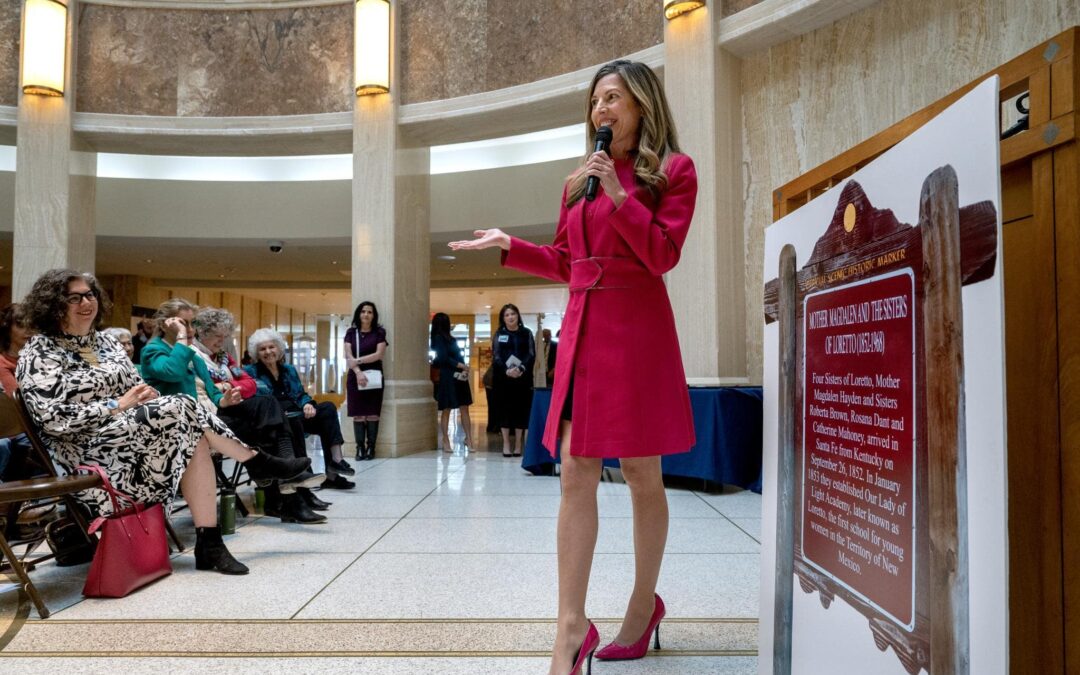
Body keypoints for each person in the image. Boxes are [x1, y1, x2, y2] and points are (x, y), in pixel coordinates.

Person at [450, 60, 698, 675]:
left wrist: (619, 196)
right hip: (585, 330)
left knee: (643, 473)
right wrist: (510, 245)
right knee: (574, 473)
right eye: (594, 102)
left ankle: (644, 607)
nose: (600, 111)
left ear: (642, 105)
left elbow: (663, 254)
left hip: (638, 330)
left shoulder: (672, 172)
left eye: (612, 98)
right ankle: (571, 627)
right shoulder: (575, 183)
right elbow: (566, 262)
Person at [16, 269, 312, 575]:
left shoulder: (105, 344)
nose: (85, 302)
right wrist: (117, 404)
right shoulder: (40, 351)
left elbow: (137, 386)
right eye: (73, 298)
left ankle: (210, 542)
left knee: (190, 431)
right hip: (85, 452)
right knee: (183, 407)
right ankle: (255, 461)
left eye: (89, 295)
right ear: (53, 305)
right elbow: (52, 420)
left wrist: (147, 396)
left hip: (130, 439)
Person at [191, 307, 328, 523]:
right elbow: (213, 389)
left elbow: (249, 385)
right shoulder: (195, 356)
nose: (223, 341)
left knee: (276, 419)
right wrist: (227, 387)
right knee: (271, 410)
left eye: (225, 336)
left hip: (235, 409)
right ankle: (289, 491)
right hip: (215, 416)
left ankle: (284, 495)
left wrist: (227, 384)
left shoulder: (223, 357)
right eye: (219, 336)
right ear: (204, 333)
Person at [245, 329, 355, 491]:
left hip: (298, 413)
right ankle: (303, 474)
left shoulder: (288, 369)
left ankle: (335, 464)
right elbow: (257, 401)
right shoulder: (250, 372)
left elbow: (299, 394)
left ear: (279, 348)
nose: (268, 352)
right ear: (256, 353)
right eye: (262, 349)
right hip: (278, 420)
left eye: (272, 347)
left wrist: (306, 404)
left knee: (327, 409)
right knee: (294, 420)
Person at [344, 301, 387, 462]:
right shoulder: (351, 332)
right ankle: (360, 448)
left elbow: (378, 354)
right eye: (363, 311)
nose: (366, 314)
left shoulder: (379, 332)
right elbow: (348, 356)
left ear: (373, 315)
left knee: (372, 414)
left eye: (369, 312)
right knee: (358, 415)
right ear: (358, 314)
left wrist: (359, 361)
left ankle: (371, 448)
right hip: (355, 377)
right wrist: (357, 372)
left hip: (374, 376)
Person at [492, 304, 535, 457]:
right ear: (503, 318)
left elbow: (531, 354)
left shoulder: (526, 333)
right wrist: (507, 370)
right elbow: (496, 356)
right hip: (504, 379)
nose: (510, 317)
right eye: (507, 315)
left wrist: (521, 368)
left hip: (523, 378)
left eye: (513, 314)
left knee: (521, 410)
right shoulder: (499, 334)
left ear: (518, 315)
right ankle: (506, 444)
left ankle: (518, 444)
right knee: (505, 409)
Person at [429, 312, 474, 452]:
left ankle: (469, 438)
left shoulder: (450, 339)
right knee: (448, 408)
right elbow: (443, 358)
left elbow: (454, 356)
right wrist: (461, 366)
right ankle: (446, 440)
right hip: (448, 376)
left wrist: (463, 368)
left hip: (457, 376)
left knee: (463, 407)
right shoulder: (439, 338)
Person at [0, 304, 32, 395]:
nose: (28, 329)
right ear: (7, 328)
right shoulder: (2, 363)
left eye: (31, 324)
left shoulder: (37, 357)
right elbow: (19, 400)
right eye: (21, 324)